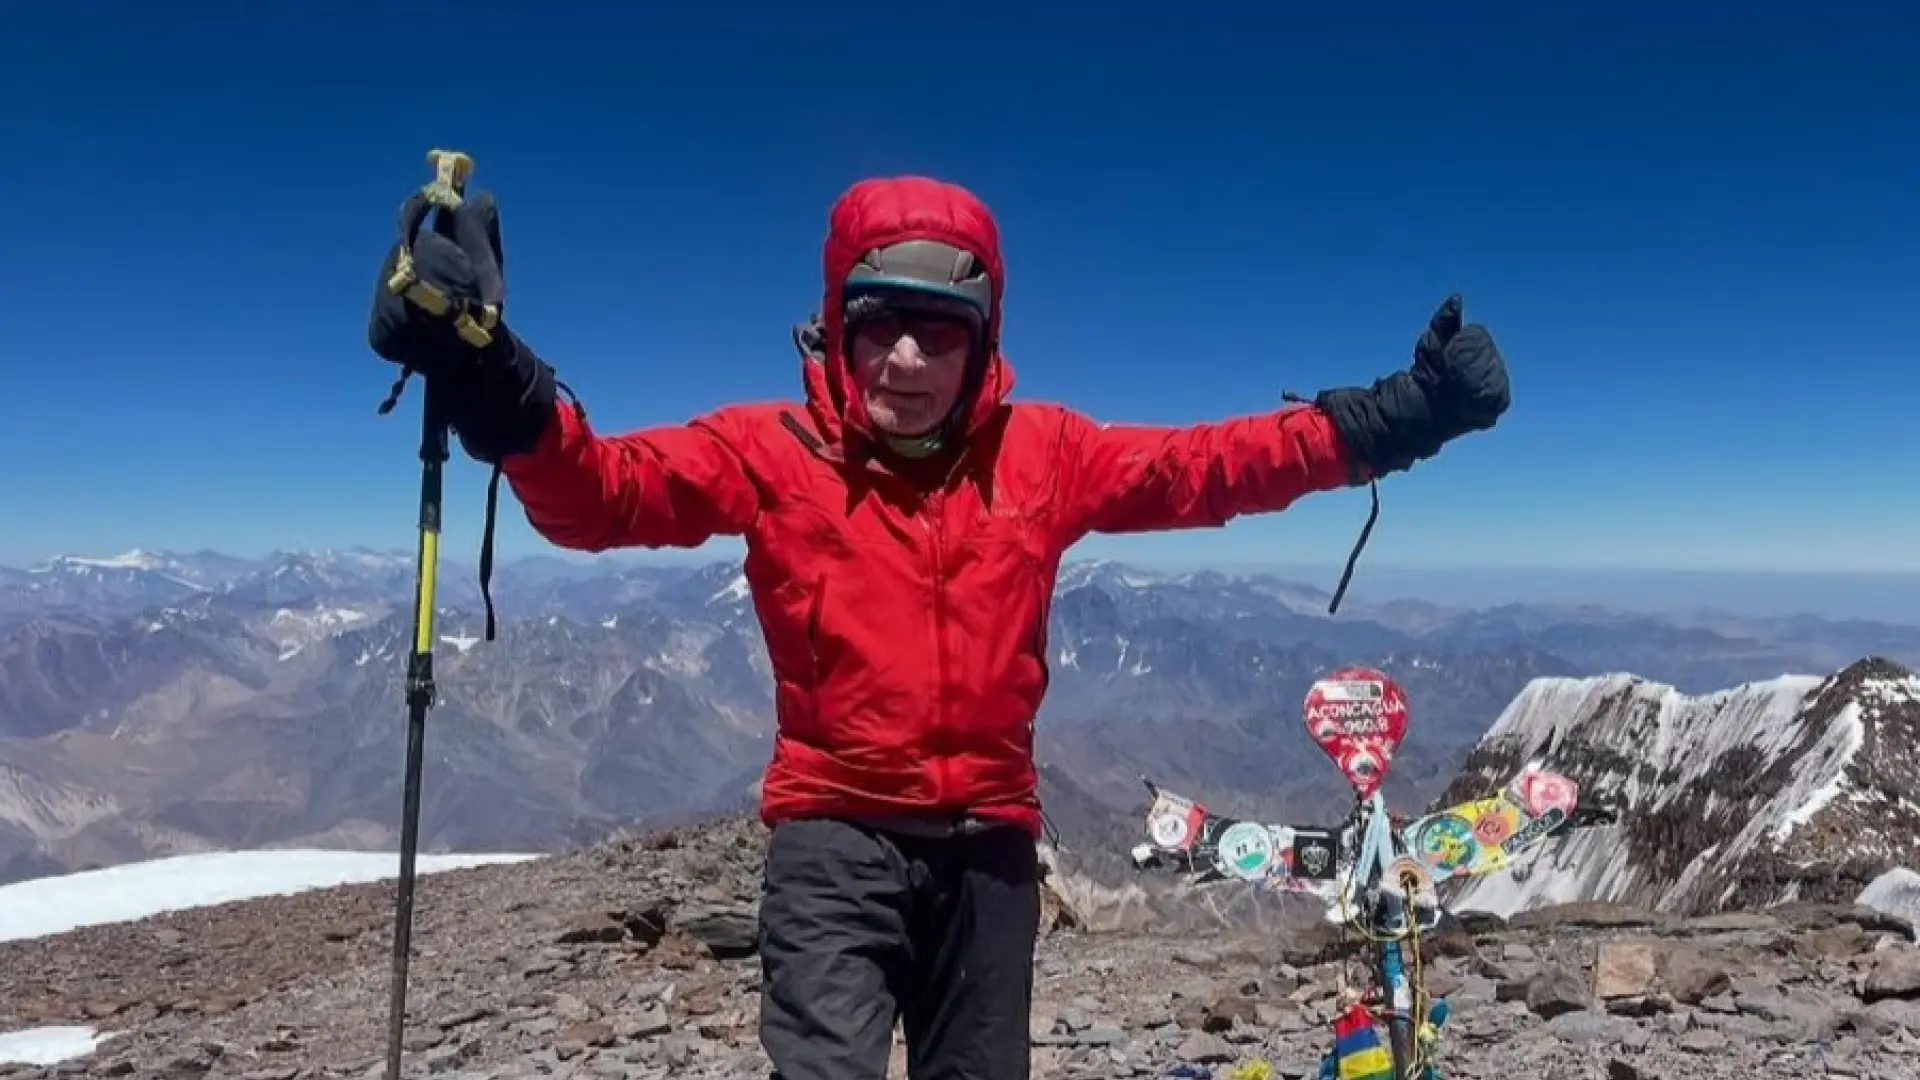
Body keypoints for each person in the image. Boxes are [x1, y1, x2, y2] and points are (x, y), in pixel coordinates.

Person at [367, 174, 1510, 1080]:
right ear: (836, 324)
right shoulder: (770, 454)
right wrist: (498, 381)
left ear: (983, 335)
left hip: (988, 848)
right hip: (832, 839)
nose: (905, 359)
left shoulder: (1044, 454)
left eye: (938, 329)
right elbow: (601, 496)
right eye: (877, 326)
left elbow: (1210, 467)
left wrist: (1395, 419)